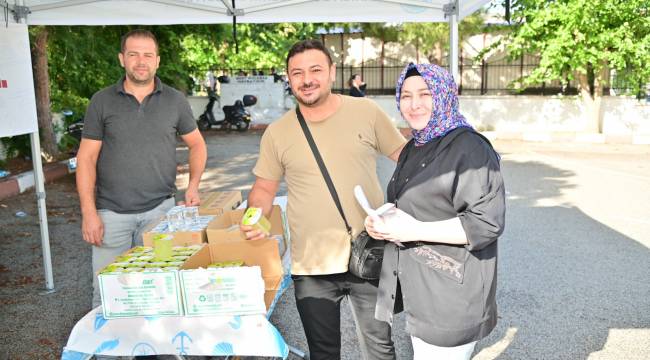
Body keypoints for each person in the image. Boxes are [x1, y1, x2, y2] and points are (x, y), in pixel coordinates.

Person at [241, 40, 406, 360]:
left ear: (332, 72)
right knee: (323, 352)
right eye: (297, 73)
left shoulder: (366, 112)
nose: (307, 79)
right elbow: (263, 189)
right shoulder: (278, 132)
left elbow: (407, 160)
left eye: (316, 70)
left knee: (379, 348)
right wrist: (253, 218)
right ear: (289, 79)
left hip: (368, 255)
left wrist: (411, 212)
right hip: (311, 265)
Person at [364, 63, 505, 360]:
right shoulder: (417, 143)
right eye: (406, 95)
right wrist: (383, 219)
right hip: (422, 289)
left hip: (452, 294)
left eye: (425, 94)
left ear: (444, 95)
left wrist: (411, 230)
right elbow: (411, 202)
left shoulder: (470, 149)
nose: (414, 104)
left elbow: (486, 223)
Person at [76, 29, 207, 309]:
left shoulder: (175, 100)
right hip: (111, 215)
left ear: (157, 61)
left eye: (147, 55)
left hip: (160, 213)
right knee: (107, 292)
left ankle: (154, 349)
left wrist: (193, 185)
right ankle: (110, 353)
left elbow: (197, 145)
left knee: (160, 288)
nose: (140, 61)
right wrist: (89, 213)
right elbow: (86, 158)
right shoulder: (102, 101)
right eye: (133, 54)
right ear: (122, 58)